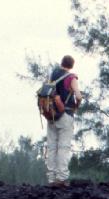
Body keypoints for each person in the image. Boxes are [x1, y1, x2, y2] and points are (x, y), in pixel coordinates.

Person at [46, 55, 83, 188]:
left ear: (62, 63)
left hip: (51, 115)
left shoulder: (51, 75)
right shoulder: (71, 77)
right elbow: (78, 96)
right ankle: (61, 178)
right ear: (72, 65)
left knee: (51, 147)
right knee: (63, 147)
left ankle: (51, 178)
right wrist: (77, 103)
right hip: (66, 114)